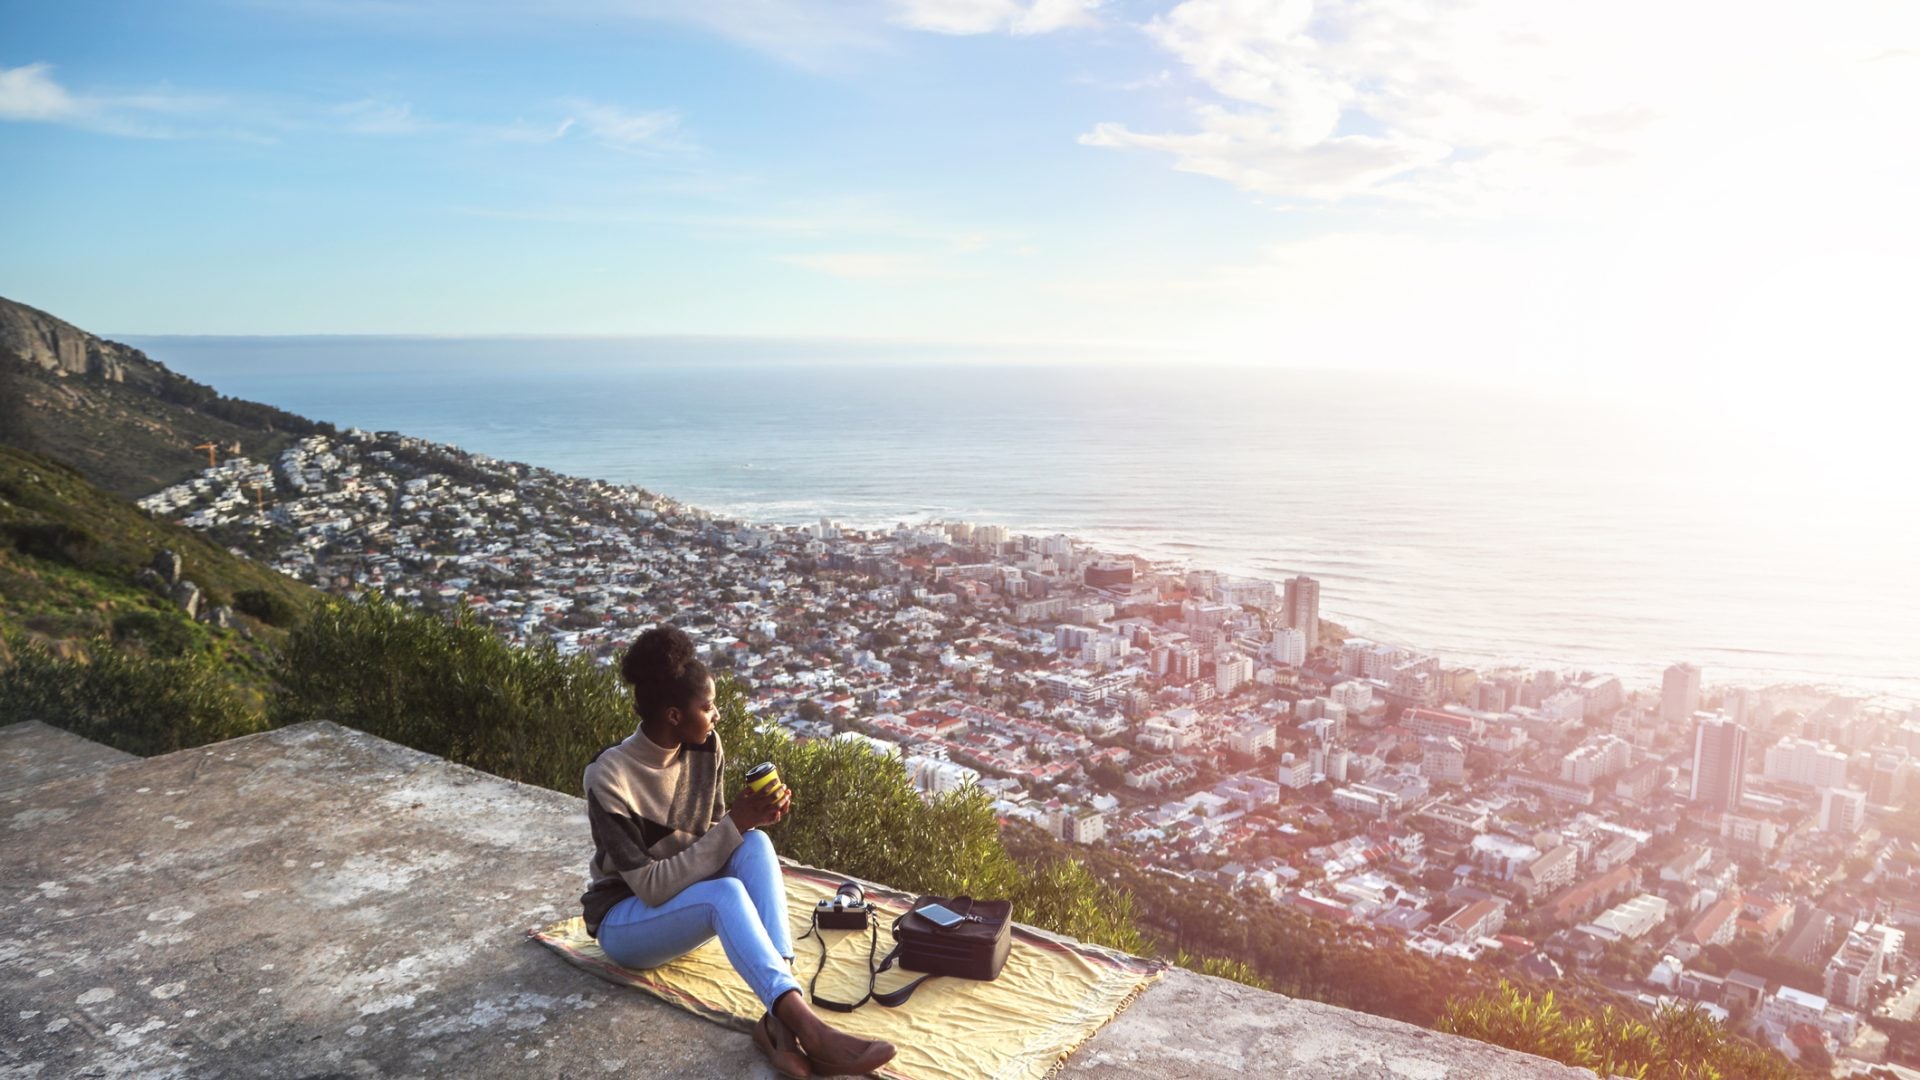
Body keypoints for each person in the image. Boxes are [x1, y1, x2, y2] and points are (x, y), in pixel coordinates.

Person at [581, 625, 896, 1079]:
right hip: (626, 920)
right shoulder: (609, 775)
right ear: (673, 714)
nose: (717, 716)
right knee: (724, 892)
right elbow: (651, 887)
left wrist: (751, 820)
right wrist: (735, 822)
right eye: (707, 707)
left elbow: (709, 834)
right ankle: (812, 1030)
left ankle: (780, 1029)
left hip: (683, 899)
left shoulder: (703, 746)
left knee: (755, 843)